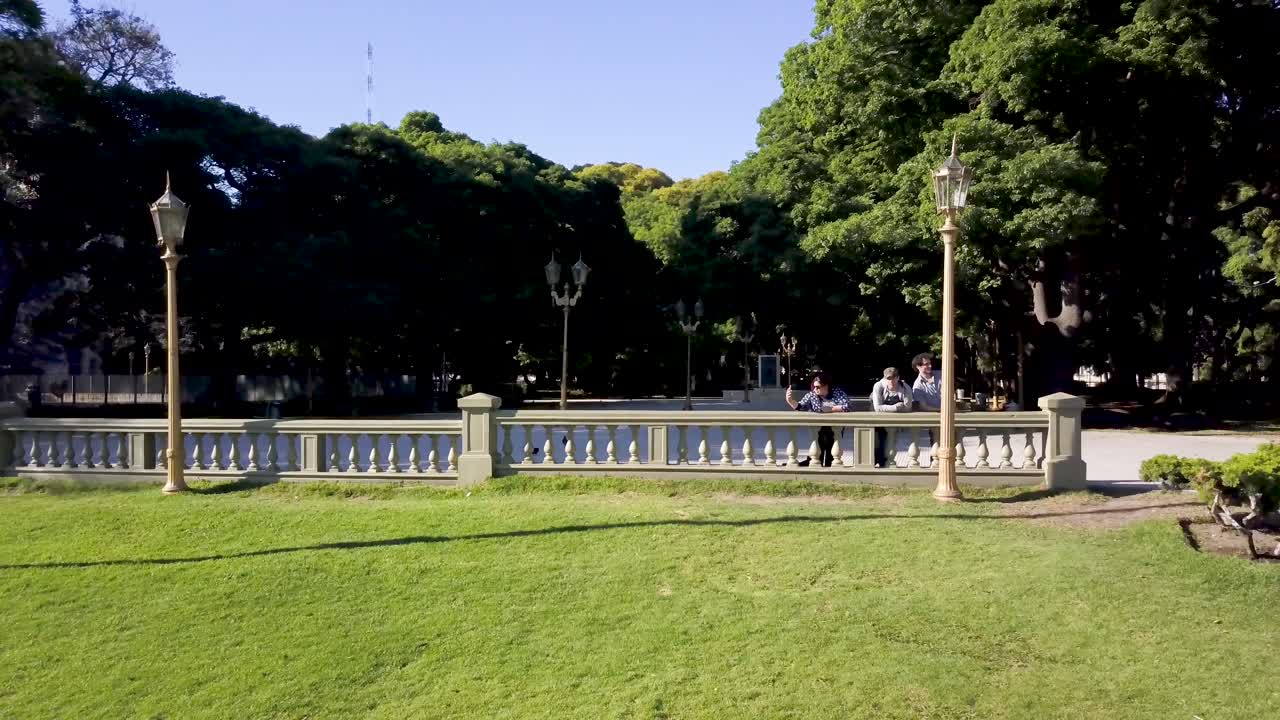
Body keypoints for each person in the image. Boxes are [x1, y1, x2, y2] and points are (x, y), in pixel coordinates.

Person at [785, 371, 849, 467]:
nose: (815, 389)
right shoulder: (812, 395)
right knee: (818, 451)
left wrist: (832, 409)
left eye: (818, 387)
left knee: (832, 453)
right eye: (814, 386)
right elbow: (800, 407)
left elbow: (847, 406)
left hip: (835, 427)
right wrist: (790, 400)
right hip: (818, 427)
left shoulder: (837, 393)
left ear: (826, 386)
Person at [870, 367, 913, 467]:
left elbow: (907, 407)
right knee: (876, 442)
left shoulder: (905, 388)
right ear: (884, 379)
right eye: (888, 378)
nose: (891, 381)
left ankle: (884, 464)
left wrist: (887, 408)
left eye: (893, 378)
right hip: (877, 420)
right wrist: (896, 407)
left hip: (894, 422)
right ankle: (876, 463)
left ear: (898, 378)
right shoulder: (878, 386)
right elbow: (877, 408)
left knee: (890, 441)